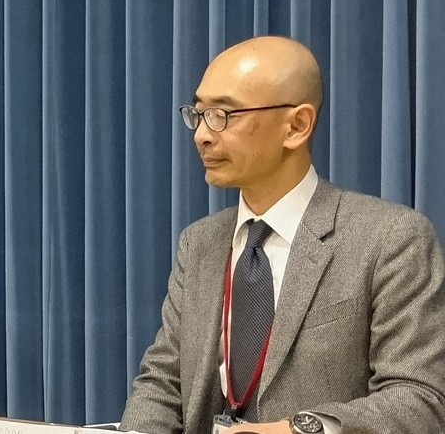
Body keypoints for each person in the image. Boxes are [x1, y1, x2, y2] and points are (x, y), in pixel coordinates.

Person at [120, 36, 445, 434]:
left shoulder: (389, 238)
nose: (202, 134)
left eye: (223, 114)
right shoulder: (199, 243)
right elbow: (163, 382)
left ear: (297, 125)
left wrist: (297, 429)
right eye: (199, 114)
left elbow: (420, 398)